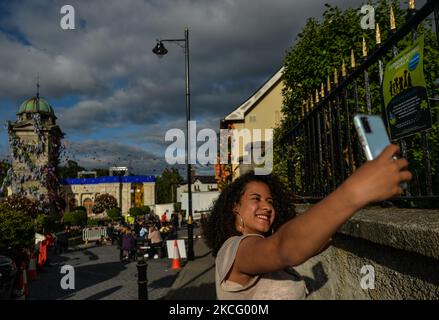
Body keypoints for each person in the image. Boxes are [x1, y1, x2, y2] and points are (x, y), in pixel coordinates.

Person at [202, 144, 412, 300]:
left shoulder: (262, 249)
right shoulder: (235, 249)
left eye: (270, 201)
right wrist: (357, 190)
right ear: (234, 207)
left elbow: (306, 240)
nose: (267, 207)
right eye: (255, 199)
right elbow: (284, 248)